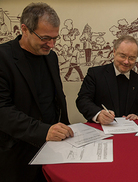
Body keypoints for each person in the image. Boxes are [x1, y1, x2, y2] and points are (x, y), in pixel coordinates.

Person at [0, 3, 74, 182]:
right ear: (24, 29)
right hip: (17, 150)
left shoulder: (51, 56)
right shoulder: (3, 58)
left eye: (55, 38)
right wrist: (43, 131)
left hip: (52, 146)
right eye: (45, 38)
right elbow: (3, 110)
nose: (52, 44)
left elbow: (56, 97)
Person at [76, 35, 138, 124]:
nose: (126, 61)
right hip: (100, 131)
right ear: (114, 52)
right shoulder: (95, 74)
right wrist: (98, 114)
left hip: (130, 133)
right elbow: (82, 100)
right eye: (123, 56)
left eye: (131, 58)